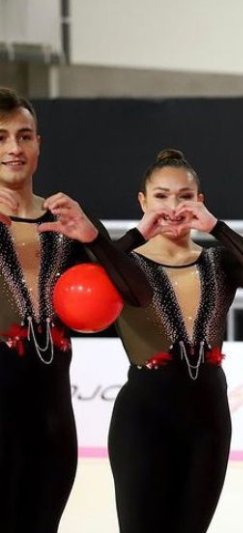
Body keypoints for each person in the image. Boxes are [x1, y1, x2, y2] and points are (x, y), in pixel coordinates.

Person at [108, 149, 243, 533]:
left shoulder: (218, 261)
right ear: (142, 201)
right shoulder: (126, 263)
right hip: (144, 418)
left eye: (185, 196)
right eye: (161, 196)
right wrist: (140, 232)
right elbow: (92, 272)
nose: (173, 206)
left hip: (208, 416)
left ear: (199, 201)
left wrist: (216, 227)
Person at [0, 86, 152, 533]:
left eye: (24, 136)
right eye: (1, 137)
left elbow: (139, 295)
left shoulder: (65, 225)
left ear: (39, 144)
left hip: (51, 420)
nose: (14, 148)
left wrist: (94, 239)